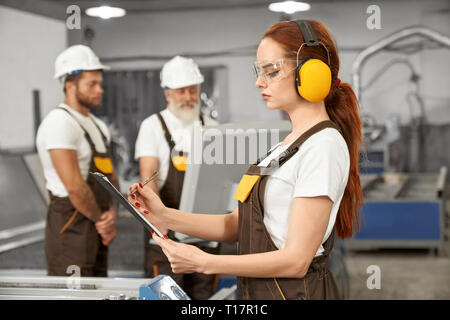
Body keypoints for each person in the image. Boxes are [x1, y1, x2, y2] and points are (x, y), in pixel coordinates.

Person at [129, 20, 363, 300]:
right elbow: (233, 226)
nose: (258, 82)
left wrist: (205, 262)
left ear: (310, 73)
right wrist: (163, 215)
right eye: (259, 72)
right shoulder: (285, 146)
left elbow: (296, 261)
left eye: (271, 71)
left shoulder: (322, 146)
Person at [134, 56, 219, 299]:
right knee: (167, 291)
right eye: (181, 91)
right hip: (166, 229)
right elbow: (147, 180)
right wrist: (159, 224)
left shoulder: (212, 126)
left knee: (203, 294)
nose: (188, 97)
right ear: (167, 93)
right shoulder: (152, 126)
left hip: (205, 228)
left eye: (192, 90)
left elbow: (220, 180)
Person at [36, 45, 119, 277]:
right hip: (71, 226)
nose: (99, 90)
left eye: (99, 83)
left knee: (97, 289)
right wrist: (102, 221)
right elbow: (74, 185)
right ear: (69, 85)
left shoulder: (98, 126)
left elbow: (110, 175)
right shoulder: (59, 123)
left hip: (98, 224)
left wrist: (112, 212)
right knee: (73, 293)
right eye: (91, 84)